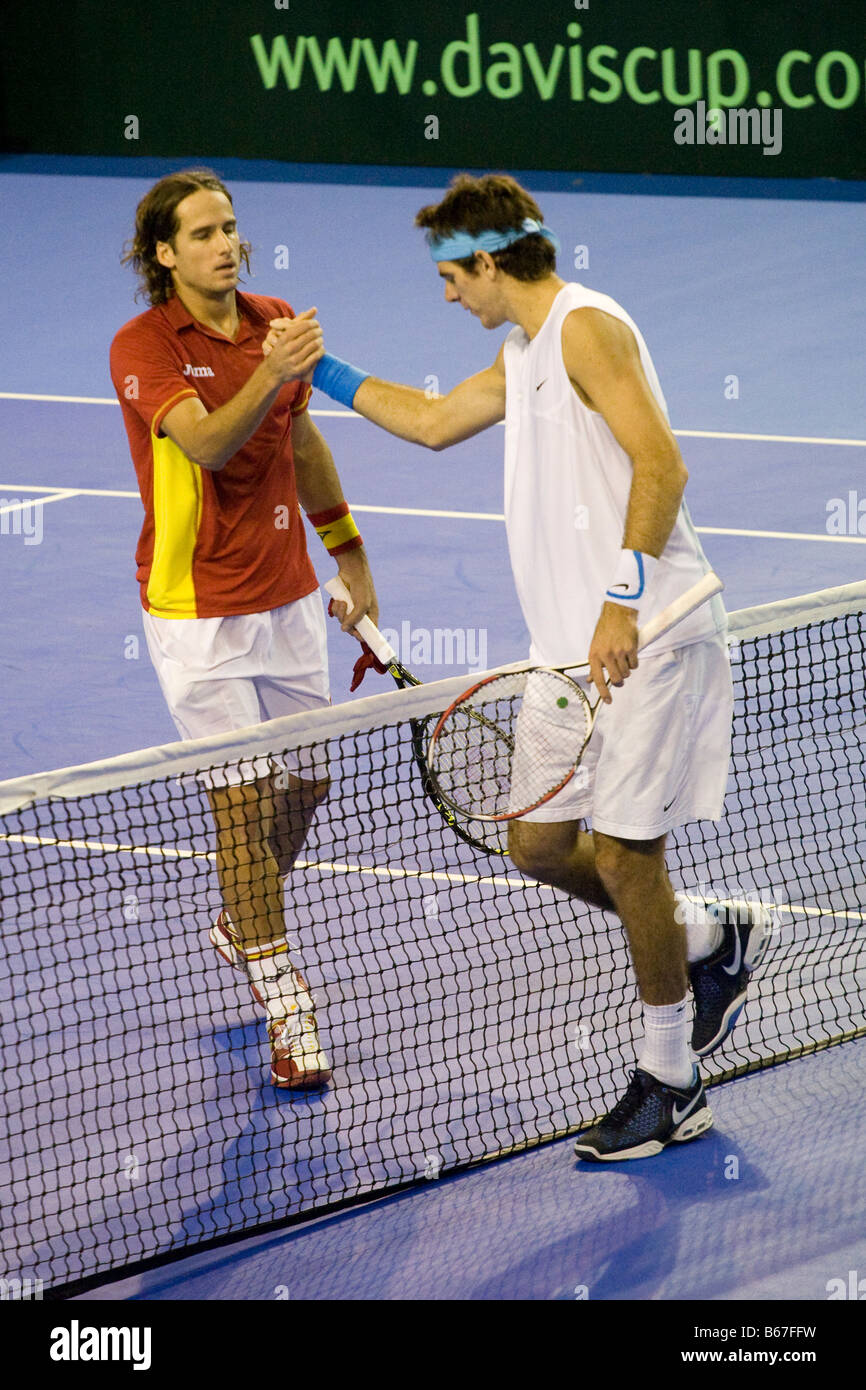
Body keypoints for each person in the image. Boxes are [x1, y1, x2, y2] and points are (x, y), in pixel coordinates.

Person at [268, 173, 770, 1157]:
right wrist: (316, 373)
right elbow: (426, 421)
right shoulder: (520, 349)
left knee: (626, 854)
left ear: (489, 261)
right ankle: (708, 937)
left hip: (647, 637)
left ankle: (670, 1080)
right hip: (562, 656)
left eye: (452, 276)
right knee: (538, 847)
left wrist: (621, 599)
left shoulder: (585, 327)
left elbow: (661, 463)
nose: (447, 294)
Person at [110, 168, 376, 1091]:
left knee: (307, 785)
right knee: (240, 808)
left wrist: (349, 550)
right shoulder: (141, 345)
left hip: (290, 595)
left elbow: (299, 439)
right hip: (195, 615)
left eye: (231, 228)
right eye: (204, 234)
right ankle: (286, 998)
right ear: (164, 254)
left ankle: (242, 922)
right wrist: (275, 364)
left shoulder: (271, 315)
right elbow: (214, 444)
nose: (226, 244)